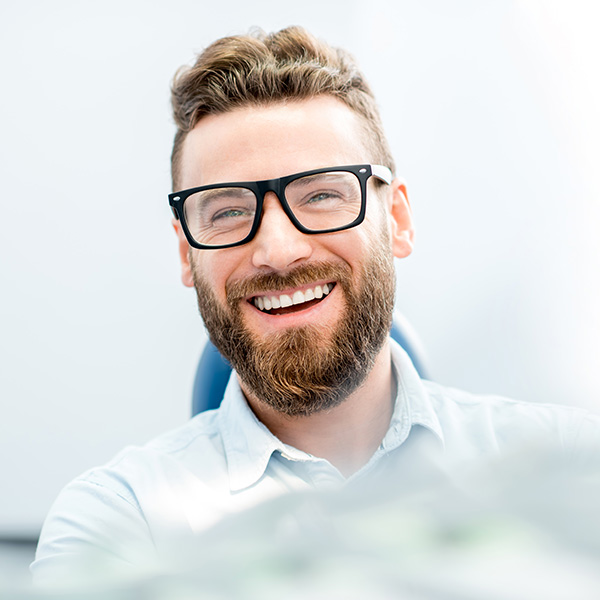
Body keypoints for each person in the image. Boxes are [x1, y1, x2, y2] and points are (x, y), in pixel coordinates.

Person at [31, 26, 600, 586]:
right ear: (187, 254)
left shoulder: (576, 467)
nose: (278, 251)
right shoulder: (118, 524)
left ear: (397, 221)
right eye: (227, 211)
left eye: (323, 195)